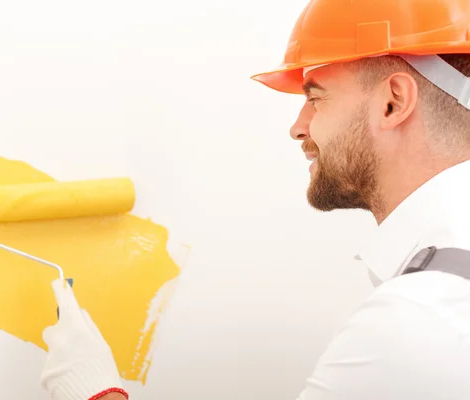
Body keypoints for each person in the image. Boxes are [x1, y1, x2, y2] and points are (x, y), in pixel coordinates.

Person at [39, 1, 470, 399]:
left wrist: (94, 393)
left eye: (315, 98)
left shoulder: (417, 323)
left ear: (393, 103)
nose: (299, 128)